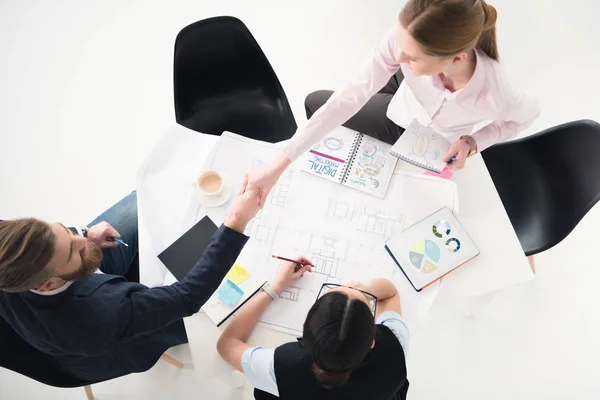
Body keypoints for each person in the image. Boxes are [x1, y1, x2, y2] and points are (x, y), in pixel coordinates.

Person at [244, 0, 540, 203]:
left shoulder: (496, 93)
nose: (398, 58)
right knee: (329, 100)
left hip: (419, 133)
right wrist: (279, 164)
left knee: (317, 102)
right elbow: (350, 97)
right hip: (407, 94)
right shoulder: (406, 43)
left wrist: (472, 142)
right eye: (402, 45)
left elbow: (524, 118)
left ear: (456, 58)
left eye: (411, 56)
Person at [0, 178, 262, 384]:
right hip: (87, 341)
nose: (83, 242)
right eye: (73, 250)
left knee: (148, 198)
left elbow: (76, 242)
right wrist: (236, 223)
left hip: (68, 297)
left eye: (64, 231)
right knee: (224, 309)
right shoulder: (98, 316)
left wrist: (83, 234)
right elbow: (186, 297)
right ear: (46, 284)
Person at [217, 258, 409, 400]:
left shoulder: (282, 366)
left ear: (304, 326)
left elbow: (227, 345)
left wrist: (275, 287)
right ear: (372, 341)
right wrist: (361, 292)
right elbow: (390, 293)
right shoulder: (394, 346)